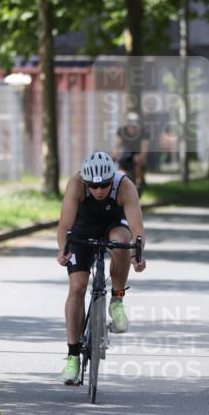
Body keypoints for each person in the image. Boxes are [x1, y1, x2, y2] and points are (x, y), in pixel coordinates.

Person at [56, 151, 146, 385]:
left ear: (111, 180)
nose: (98, 191)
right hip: (82, 229)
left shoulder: (125, 186)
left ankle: (116, 301)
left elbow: (137, 229)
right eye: (93, 186)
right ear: (85, 181)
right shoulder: (76, 184)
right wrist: (63, 249)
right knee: (77, 287)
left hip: (113, 226)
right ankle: (73, 356)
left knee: (122, 244)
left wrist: (138, 254)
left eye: (104, 186)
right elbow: (65, 224)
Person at [114, 113, 150, 192]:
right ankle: (120, 183)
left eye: (134, 126)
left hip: (138, 153)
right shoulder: (121, 131)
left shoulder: (144, 132)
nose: (132, 128)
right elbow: (117, 145)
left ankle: (138, 183)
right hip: (126, 153)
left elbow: (145, 149)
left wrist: (141, 156)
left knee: (138, 160)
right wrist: (116, 154)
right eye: (130, 126)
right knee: (120, 163)